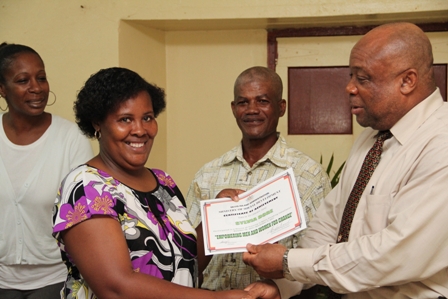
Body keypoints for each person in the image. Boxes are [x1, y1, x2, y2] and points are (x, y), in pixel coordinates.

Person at [242, 22, 448, 299]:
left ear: (407, 81)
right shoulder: (370, 139)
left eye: (362, 78)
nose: (349, 88)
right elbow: (330, 222)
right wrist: (282, 284)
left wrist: (288, 262)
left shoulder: (440, 141)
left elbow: (396, 253)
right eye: (351, 76)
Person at [52, 67, 254, 299]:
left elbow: (185, 265)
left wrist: (216, 218)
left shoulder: (163, 182)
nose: (140, 130)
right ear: (98, 123)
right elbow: (115, 287)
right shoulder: (86, 188)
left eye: (147, 118)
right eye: (125, 119)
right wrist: (215, 298)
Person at [186, 66, 332, 291]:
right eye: (243, 102)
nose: (252, 110)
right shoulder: (207, 175)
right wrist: (212, 219)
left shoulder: (308, 175)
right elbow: (186, 263)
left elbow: (319, 261)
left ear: (281, 107)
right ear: (234, 109)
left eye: (262, 101)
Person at [0, 43, 93, 299]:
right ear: (1, 89)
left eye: (41, 78)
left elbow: (86, 214)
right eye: (22, 80)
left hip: (56, 278)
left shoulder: (70, 138)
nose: (37, 87)